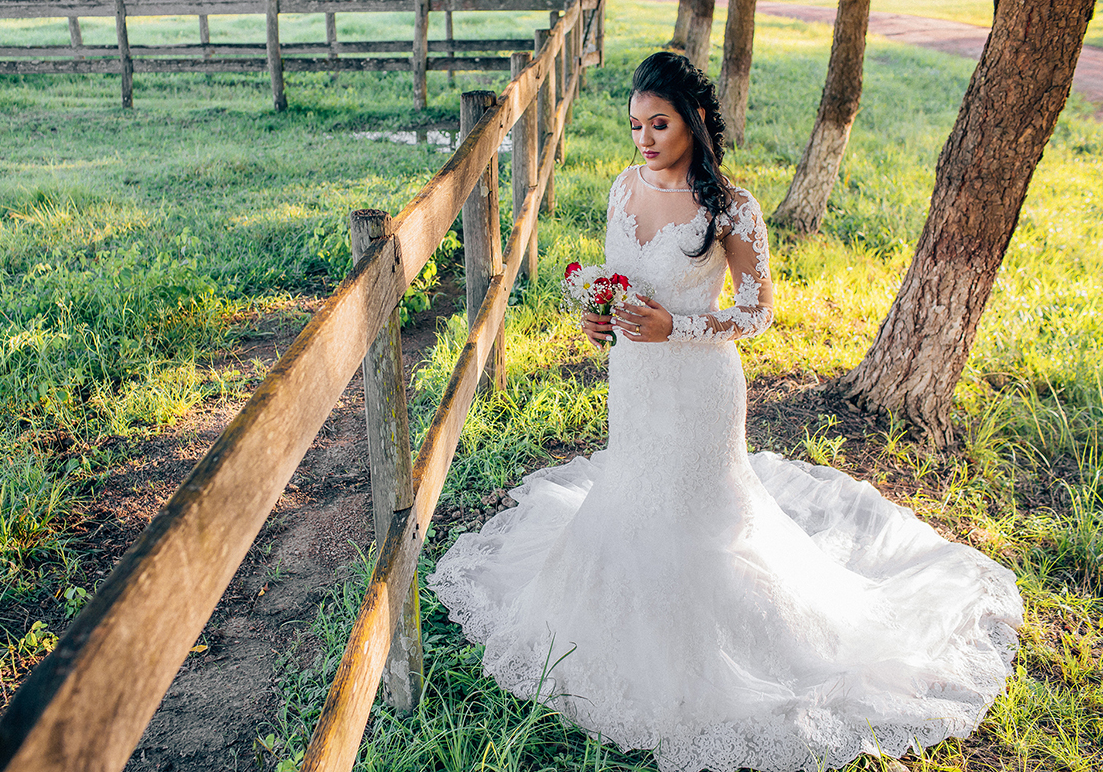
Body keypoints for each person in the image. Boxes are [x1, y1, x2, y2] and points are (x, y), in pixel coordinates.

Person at [428, 52, 1022, 772]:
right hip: (634, 380)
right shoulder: (623, 187)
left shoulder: (731, 208)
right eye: (636, 125)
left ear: (696, 121)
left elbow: (759, 311)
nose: (645, 139)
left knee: (699, 517)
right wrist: (600, 318)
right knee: (633, 496)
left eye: (660, 123)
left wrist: (675, 328)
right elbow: (619, 281)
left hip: (700, 387)